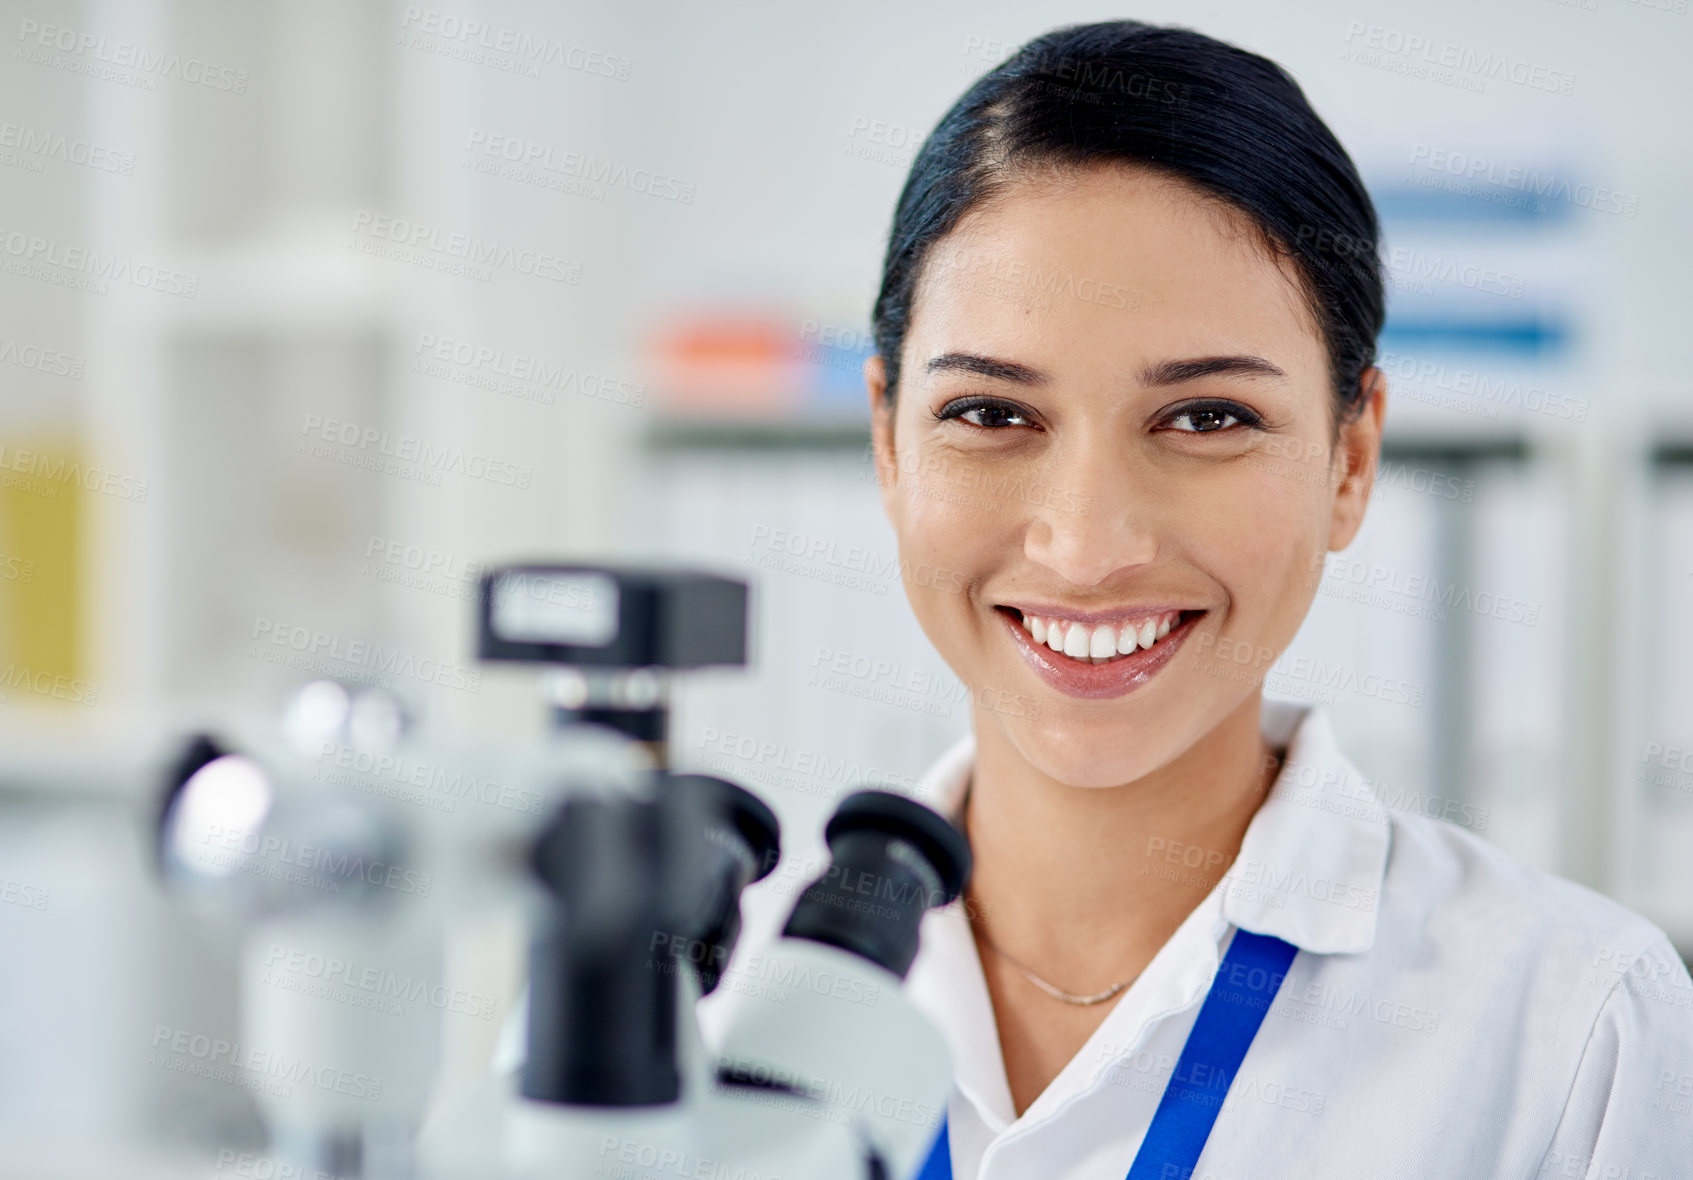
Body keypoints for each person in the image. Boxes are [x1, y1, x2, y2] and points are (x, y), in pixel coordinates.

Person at [806, 18, 1688, 1180]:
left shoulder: (1575, 1032)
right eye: (991, 413)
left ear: (1350, 457)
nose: (1087, 547)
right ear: (887, 441)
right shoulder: (688, 991)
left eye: (1206, 417)